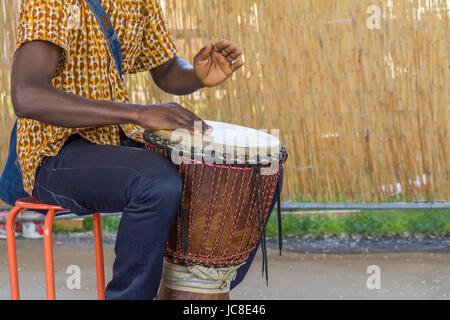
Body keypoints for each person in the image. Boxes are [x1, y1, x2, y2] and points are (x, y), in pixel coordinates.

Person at [11, 0, 282, 299]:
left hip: (116, 138)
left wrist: (196, 75)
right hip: (55, 152)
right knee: (155, 182)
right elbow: (27, 95)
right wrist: (136, 113)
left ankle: (199, 287)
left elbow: (165, 68)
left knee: (255, 168)